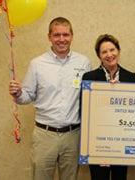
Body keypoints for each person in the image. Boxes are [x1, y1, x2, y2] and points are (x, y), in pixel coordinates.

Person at [8, 17, 92, 180]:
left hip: (72, 135)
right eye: (57, 35)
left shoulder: (84, 62)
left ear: (72, 36)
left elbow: (90, 96)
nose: (62, 39)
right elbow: (28, 96)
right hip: (45, 135)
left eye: (66, 35)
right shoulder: (37, 64)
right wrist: (18, 93)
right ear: (49, 37)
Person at [82, 34, 135, 180]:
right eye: (104, 52)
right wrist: (98, 148)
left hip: (122, 143)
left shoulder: (131, 78)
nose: (109, 55)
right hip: (97, 144)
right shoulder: (89, 78)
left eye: (112, 50)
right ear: (99, 56)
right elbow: (85, 112)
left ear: (118, 51)